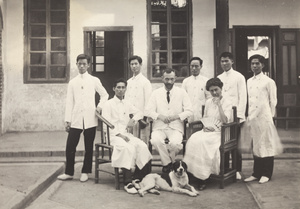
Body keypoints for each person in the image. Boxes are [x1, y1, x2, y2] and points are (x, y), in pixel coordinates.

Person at [58, 54, 109, 182]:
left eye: (84, 64)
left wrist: (99, 107)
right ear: (77, 64)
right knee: (70, 146)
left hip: (90, 119)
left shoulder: (94, 80)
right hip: (76, 119)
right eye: (79, 63)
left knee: (88, 146)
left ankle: (85, 171)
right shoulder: (72, 82)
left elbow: (105, 95)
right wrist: (67, 120)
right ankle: (69, 172)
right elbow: (69, 102)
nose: (81, 66)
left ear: (88, 65)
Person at [102, 78, 152, 194]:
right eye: (118, 87)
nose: (120, 90)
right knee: (127, 148)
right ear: (113, 89)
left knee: (142, 146)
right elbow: (106, 125)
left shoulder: (127, 103)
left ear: (125, 89)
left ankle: (137, 178)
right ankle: (127, 181)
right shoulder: (108, 104)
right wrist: (119, 135)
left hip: (126, 134)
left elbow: (139, 112)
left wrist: (133, 120)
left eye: (123, 87)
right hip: (112, 136)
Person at [183, 77, 232, 190]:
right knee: (193, 140)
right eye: (211, 91)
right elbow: (205, 118)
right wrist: (206, 127)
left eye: (216, 90)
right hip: (208, 130)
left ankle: (203, 177)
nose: (214, 93)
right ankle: (193, 173)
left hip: (222, 132)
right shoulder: (208, 102)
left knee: (204, 143)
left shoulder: (227, 102)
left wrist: (219, 105)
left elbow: (225, 121)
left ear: (221, 88)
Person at [243, 55, 283, 184]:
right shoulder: (249, 81)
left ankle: (266, 173)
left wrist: (269, 117)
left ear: (263, 65)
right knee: (256, 145)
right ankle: (256, 173)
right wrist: (249, 116)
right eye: (252, 64)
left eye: (257, 63)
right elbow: (249, 101)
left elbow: (273, 100)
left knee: (266, 144)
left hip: (264, 117)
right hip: (253, 117)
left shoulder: (268, 81)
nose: (254, 66)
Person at [145, 68, 193, 173]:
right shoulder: (155, 93)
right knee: (156, 140)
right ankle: (168, 164)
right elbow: (148, 111)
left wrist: (176, 116)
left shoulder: (182, 92)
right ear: (162, 78)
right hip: (159, 127)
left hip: (176, 127)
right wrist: (159, 116)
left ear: (175, 78)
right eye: (167, 79)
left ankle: (167, 164)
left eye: (171, 79)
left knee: (175, 144)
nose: (169, 82)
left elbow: (189, 110)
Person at [217, 52, 247, 180]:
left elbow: (243, 97)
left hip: (236, 115)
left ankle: (237, 169)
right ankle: (224, 168)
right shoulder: (219, 78)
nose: (224, 63)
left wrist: (240, 115)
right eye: (222, 61)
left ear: (232, 61)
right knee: (223, 143)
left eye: (227, 61)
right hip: (223, 115)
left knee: (235, 144)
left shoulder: (239, 77)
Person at [125, 55, 152, 139]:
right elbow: (126, 100)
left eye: (136, 64)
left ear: (140, 64)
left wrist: (145, 117)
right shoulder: (128, 82)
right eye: (131, 64)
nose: (134, 66)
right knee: (130, 139)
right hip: (130, 117)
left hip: (141, 118)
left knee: (141, 140)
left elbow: (148, 101)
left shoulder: (145, 82)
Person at [182, 57, 211, 121]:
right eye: (192, 66)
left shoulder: (206, 81)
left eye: (196, 66)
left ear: (201, 66)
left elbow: (209, 98)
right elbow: (183, 98)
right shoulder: (186, 81)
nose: (194, 68)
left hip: (202, 112)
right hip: (189, 113)